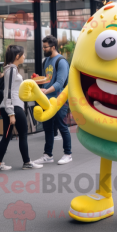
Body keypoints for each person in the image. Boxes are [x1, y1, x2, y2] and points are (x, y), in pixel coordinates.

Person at [0, 45, 43, 171]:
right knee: (22, 134)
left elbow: (14, 88)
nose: (24, 56)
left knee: (7, 136)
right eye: (23, 54)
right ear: (17, 56)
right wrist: (11, 113)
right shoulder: (11, 70)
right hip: (13, 106)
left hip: (12, 106)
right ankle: (26, 162)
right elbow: (8, 92)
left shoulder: (12, 69)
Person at [34, 35, 72, 165]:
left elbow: (60, 83)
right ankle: (48, 155)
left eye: (45, 47)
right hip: (47, 100)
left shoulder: (61, 62)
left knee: (62, 127)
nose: (43, 49)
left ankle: (68, 154)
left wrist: (46, 90)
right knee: (48, 128)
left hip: (59, 100)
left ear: (53, 47)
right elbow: (47, 79)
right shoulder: (45, 61)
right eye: (43, 47)